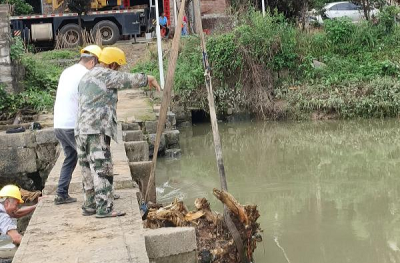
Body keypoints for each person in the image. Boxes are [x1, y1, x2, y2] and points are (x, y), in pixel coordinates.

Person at [75, 47, 161, 218]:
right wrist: (148, 78)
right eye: (118, 66)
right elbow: (127, 79)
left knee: (86, 167)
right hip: (96, 129)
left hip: (80, 130)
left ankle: (90, 204)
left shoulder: (86, 76)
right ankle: (104, 208)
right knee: (102, 168)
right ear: (113, 64)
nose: (119, 69)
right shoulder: (106, 74)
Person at [53, 45, 102, 205]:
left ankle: (61, 193)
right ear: (93, 61)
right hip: (72, 125)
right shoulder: (85, 75)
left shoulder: (67, 71)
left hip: (59, 124)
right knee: (91, 158)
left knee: (71, 157)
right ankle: (100, 194)